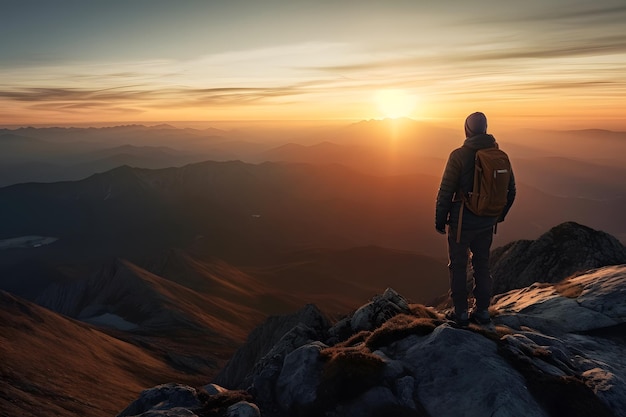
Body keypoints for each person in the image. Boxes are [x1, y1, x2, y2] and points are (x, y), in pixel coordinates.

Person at [435, 112, 516, 326]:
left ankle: (461, 313)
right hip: (487, 223)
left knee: (459, 266)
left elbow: (445, 191)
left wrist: (439, 220)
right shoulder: (498, 155)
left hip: (462, 223)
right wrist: (498, 216)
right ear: (486, 129)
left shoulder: (458, 156)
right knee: (482, 265)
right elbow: (511, 191)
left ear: (466, 130)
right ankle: (482, 312)